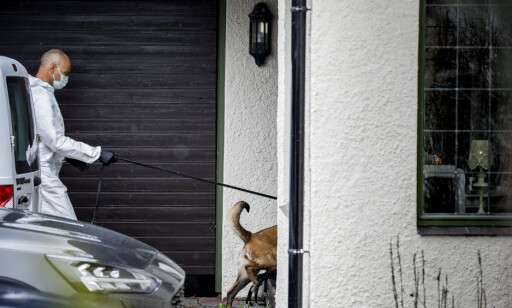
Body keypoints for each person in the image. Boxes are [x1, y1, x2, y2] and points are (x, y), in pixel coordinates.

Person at [29, 49, 118, 220]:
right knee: (68, 226)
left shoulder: (40, 92)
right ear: (53, 67)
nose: (66, 78)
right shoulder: (40, 95)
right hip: (44, 176)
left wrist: (67, 157)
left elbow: (39, 138)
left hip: (42, 171)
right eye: (66, 73)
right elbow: (55, 141)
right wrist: (96, 153)